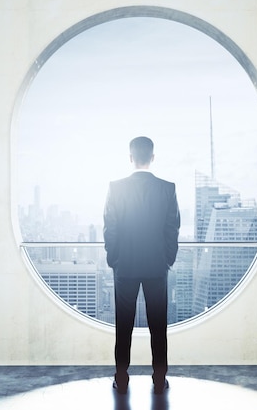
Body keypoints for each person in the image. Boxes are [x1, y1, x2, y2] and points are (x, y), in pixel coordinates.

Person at [103, 136, 181, 395]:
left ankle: (121, 377)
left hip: (124, 265)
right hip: (156, 266)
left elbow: (110, 228)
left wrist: (113, 259)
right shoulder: (167, 188)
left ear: (130, 157)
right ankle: (159, 378)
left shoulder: (116, 187)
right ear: (153, 157)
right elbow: (173, 228)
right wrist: (167, 259)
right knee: (158, 326)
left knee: (122, 325)